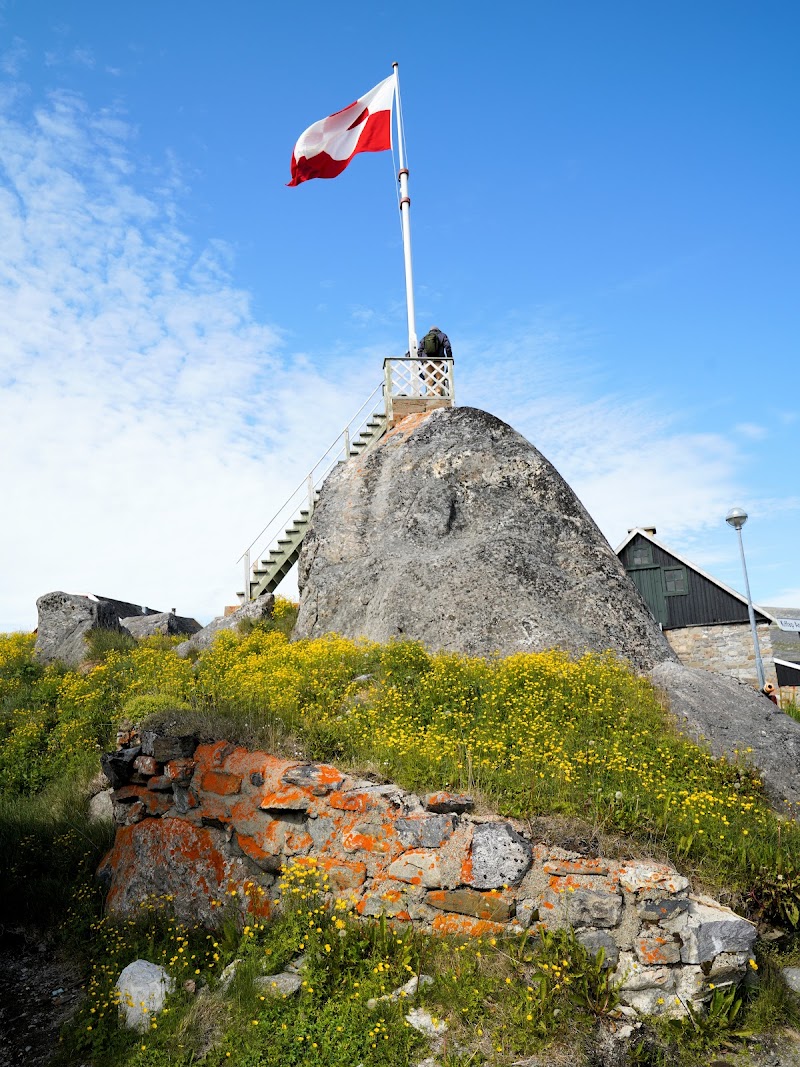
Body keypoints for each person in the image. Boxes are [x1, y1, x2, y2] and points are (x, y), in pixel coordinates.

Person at [417, 326, 453, 396]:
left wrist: (422, 361)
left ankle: (430, 396)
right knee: (439, 380)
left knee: (429, 381)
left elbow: (419, 351)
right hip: (438, 360)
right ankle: (438, 395)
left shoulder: (425, 337)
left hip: (427, 361)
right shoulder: (443, 335)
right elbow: (447, 347)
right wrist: (449, 358)